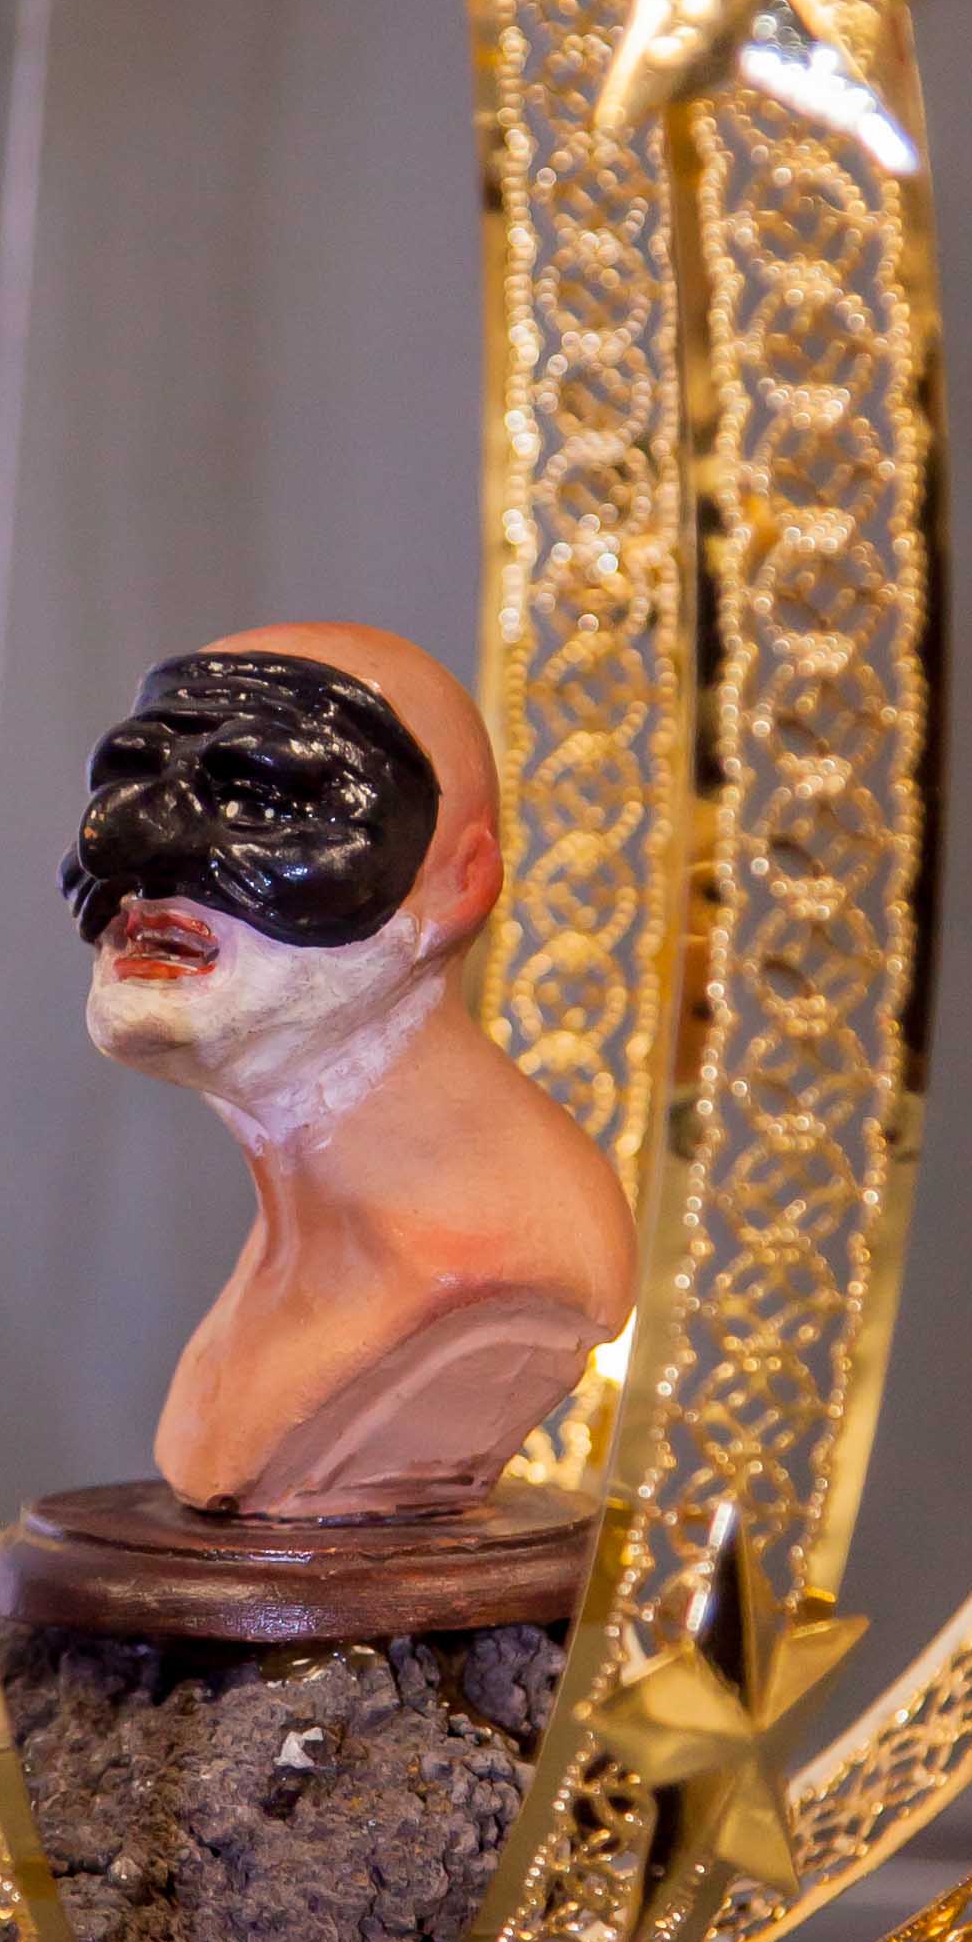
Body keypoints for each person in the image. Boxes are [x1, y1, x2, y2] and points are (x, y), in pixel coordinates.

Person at [66, 624, 637, 1516]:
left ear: (458, 884)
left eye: (263, 799)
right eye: (123, 784)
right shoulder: (301, 1246)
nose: (126, 839)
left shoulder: (499, 1283)